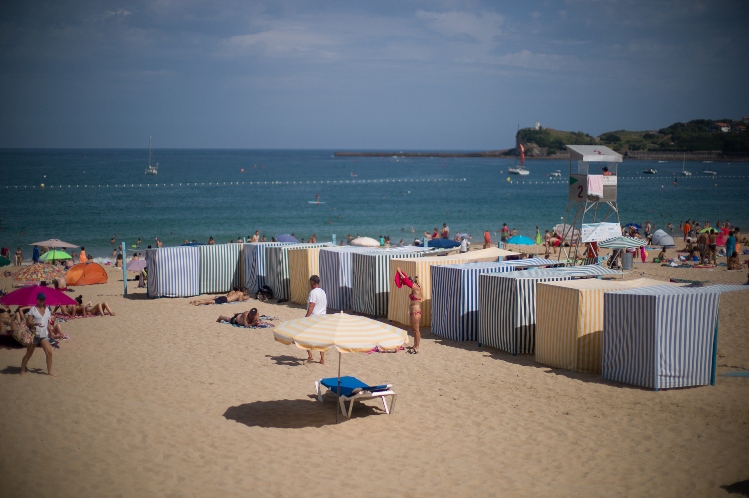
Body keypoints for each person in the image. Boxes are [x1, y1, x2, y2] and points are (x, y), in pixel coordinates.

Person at [21, 293, 56, 376]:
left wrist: (51, 333)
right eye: (40, 299)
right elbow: (29, 322)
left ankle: (49, 371)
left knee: (49, 353)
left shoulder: (47, 309)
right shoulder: (33, 309)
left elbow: (48, 323)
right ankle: (22, 369)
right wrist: (36, 324)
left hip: (44, 335)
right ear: (37, 299)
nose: (42, 301)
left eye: (43, 299)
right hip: (34, 335)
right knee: (29, 354)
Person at [395, 267, 422, 354]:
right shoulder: (416, 287)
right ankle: (415, 345)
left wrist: (399, 272)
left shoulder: (416, 288)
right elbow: (407, 281)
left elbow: (406, 281)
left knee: (416, 330)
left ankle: (417, 347)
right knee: (414, 329)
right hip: (413, 311)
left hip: (416, 312)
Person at [304, 275, 327, 364]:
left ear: (312, 283)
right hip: (322, 317)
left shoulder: (313, 292)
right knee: (321, 339)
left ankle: (310, 355)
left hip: (314, 318)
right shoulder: (323, 292)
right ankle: (322, 359)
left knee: (304, 336)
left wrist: (306, 316)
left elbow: (312, 305)